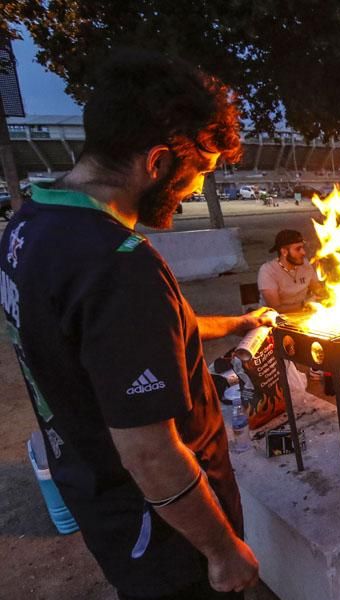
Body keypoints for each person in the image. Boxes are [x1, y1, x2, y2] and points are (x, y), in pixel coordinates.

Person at [0, 51, 262, 598]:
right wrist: (221, 551)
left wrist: (235, 324)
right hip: (167, 533)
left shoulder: (31, 225)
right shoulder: (119, 265)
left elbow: (128, 341)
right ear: (159, 162)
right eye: (198, 176)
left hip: (103, 504)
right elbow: (150, 452)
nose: (192, 195)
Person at [257, 229, 323, 314]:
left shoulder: (305, 264)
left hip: (302, 316)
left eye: (303, 247)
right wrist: (304, 305)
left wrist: (326, 294)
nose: (303, 252)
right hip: (273, 319)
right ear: (284, 252)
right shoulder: (268, 271)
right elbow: (275, 309)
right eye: (298, 249)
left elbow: (316, 288)